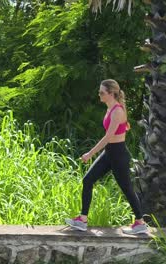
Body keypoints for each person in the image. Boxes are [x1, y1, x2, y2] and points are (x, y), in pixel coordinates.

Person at [65, 79, 148, 235]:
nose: (99, 95)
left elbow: (108, 137)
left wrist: (90, 153)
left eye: (102, 92)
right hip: (109, 153)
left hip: (118, 154)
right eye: (99, 92)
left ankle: (140, 222)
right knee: (87, 180)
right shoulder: (110, 108)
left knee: (127, 188)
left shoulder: (117, 111)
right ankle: (82, 220)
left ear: (111, 93)